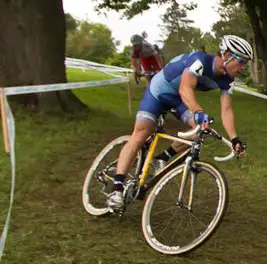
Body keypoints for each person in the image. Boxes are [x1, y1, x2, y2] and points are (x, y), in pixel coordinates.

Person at [106, 35, 253, 212]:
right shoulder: (200, 60)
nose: (243, 67)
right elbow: (185, 88)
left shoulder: (227, 80)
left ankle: (161, 158)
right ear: (227, 55)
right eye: (242, 61)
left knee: (201, 130)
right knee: (141, 134)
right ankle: (116, 188)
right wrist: (198, 112)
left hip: (178, 100)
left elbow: (227, 110)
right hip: (160, 92)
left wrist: (234, 138)